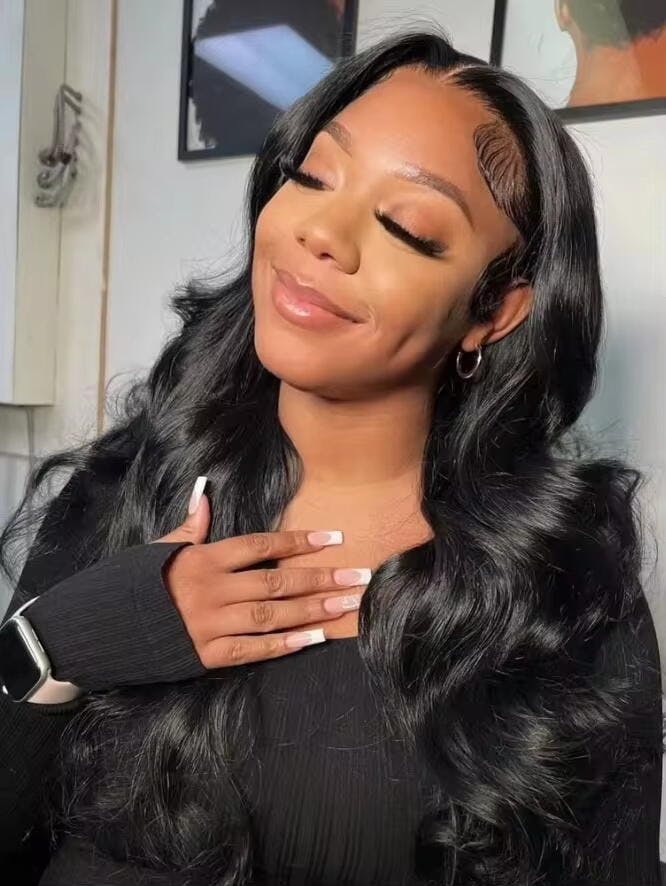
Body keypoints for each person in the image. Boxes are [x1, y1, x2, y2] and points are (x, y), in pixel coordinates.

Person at [0, 26, 663, 886]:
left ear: (494, 312)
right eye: (313, 176)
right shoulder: (122, 490)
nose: (324, 234)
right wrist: (67, 640)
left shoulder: (566, 593)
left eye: (405, 226)